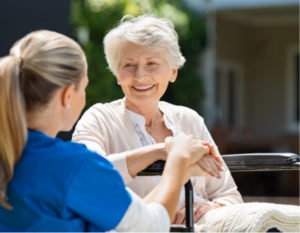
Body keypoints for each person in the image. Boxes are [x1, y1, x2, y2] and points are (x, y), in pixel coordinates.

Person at [0, 30, 222, 231]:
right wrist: (177, 158)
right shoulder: (74, 166)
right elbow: (152, 226)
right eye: (84, 87)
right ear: (68, 95)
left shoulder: (12, 156)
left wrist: (160, 153)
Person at [72, 14, 243, 225]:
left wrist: (210, 208)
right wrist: (163, 150)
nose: (140, 76)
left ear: (173, 71)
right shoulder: (98, 119)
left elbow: (229, 195)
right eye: (128, 65)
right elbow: (88, 177)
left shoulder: (189, 120)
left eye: (151, 63)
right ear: (117, 74)